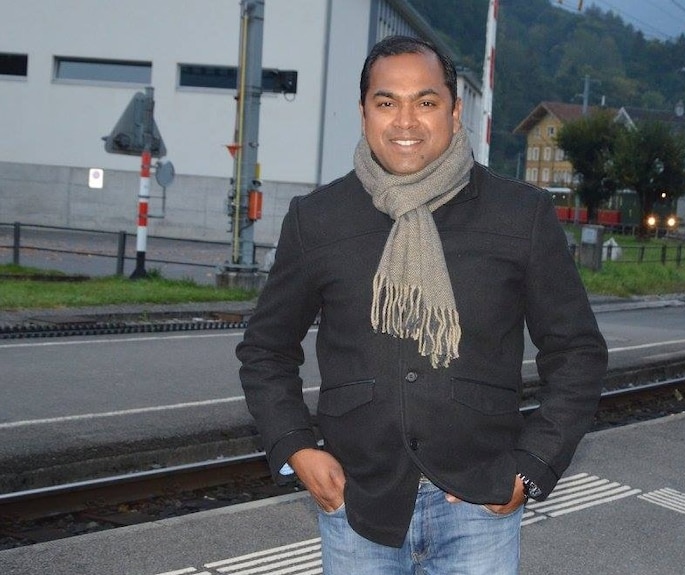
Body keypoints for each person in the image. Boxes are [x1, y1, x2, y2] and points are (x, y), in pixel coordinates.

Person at [236, 34, 607, 575]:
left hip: (480, 504)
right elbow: (266, 349)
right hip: (358, 506)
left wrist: (532, 466)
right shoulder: (317, 219)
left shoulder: (520, 215)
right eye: (386, 102)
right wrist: (296, 448)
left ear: (455, 112)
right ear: (363, 113)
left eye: (425, 102)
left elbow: (576, 351)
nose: (405, 122)